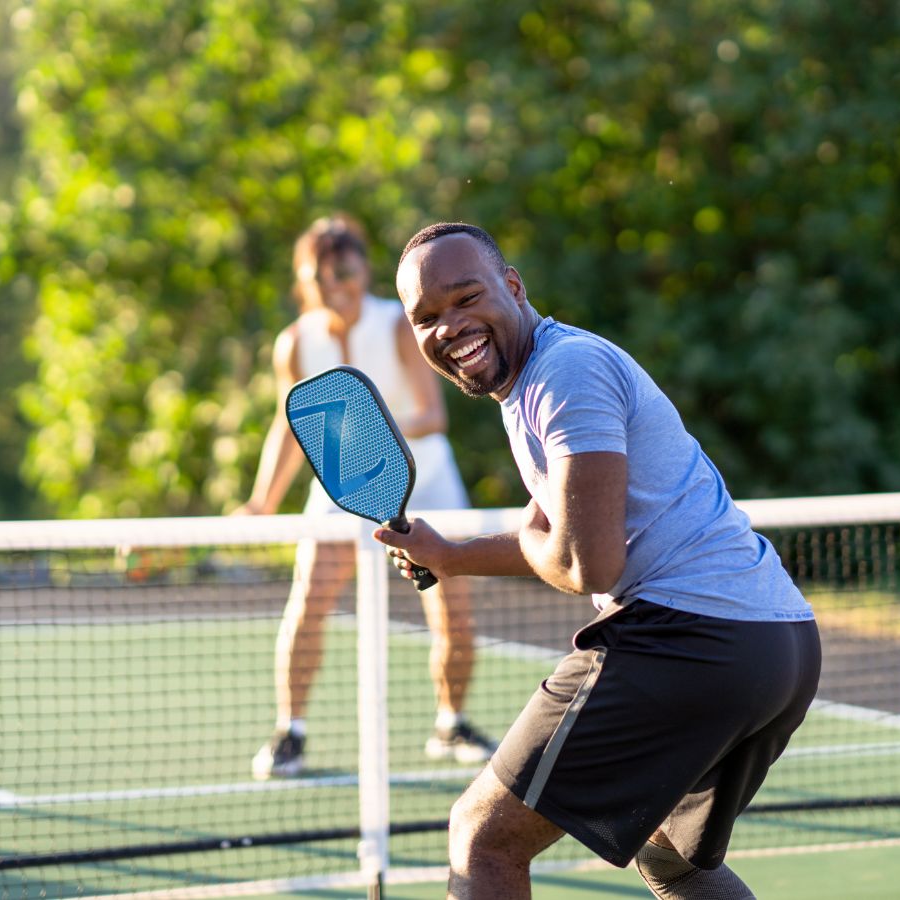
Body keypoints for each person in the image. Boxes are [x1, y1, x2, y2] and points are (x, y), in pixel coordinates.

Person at [375, 222, 821, 899]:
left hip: (691, 636)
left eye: (467, 298)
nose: (450, 326)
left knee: (482, 836)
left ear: (515, 286)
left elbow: (589, 564)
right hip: (776, 644)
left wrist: (532, 540)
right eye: (427, 317)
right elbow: (563, 532)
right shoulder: (534, 380)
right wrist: (452, 556)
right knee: (668, 856)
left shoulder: (564, 373)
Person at [239, 214, 496, 779]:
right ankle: (291, 731)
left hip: (425, 482)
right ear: (306, 280)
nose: (336, 284)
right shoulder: (294, 343)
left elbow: (432, 415)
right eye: (321, 275)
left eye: (346, 271)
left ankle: (450, 723)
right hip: (339, 491)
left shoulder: (398, 325)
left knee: (451, 608)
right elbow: (289, 427)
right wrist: (262, 501)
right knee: (308, 601)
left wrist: (368, 434)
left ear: (362, 270)